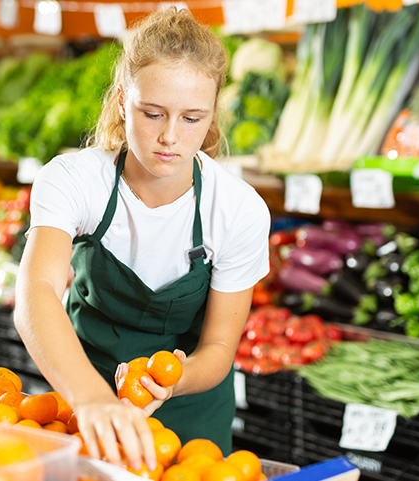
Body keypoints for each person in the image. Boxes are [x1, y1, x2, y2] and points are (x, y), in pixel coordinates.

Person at [14, 7, 270, 472]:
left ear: (213, 114)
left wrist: (171, 381)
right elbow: (37, 293)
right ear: (120, 102)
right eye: (152, 113)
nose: (170, 136)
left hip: (192, 417)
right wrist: (92, 397)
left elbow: (217, 350)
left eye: (193, 118)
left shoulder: (237, 209)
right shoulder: (73, 180)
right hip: (83, 390)